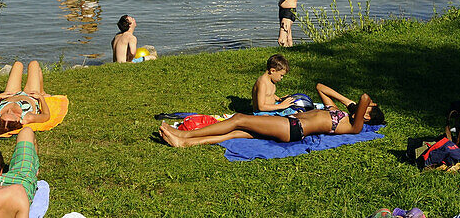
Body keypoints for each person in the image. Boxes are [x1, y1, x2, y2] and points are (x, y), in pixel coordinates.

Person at [159, 90, 382, 147]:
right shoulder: (339, 114)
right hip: (291, 126)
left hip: (292, 127)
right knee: (235, 132)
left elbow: (364, 97)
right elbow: (321, 87)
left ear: (367, 116)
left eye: (369, 109)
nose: (366, 106)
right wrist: (347, 105)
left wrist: (354, 105)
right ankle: (186, 142)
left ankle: (184, 133)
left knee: (238, 118)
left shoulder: (354, 126)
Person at [0, 61, 50, 136]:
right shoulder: (27, 118)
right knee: (34, 64)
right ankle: (42, 92)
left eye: (6, 112)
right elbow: (46, 115)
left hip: (10, 94)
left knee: (18, 64)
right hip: (30, 95)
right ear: (18, 121)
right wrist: (41, 98)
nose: (9, 110)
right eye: (11, 114)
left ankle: (41, 88)